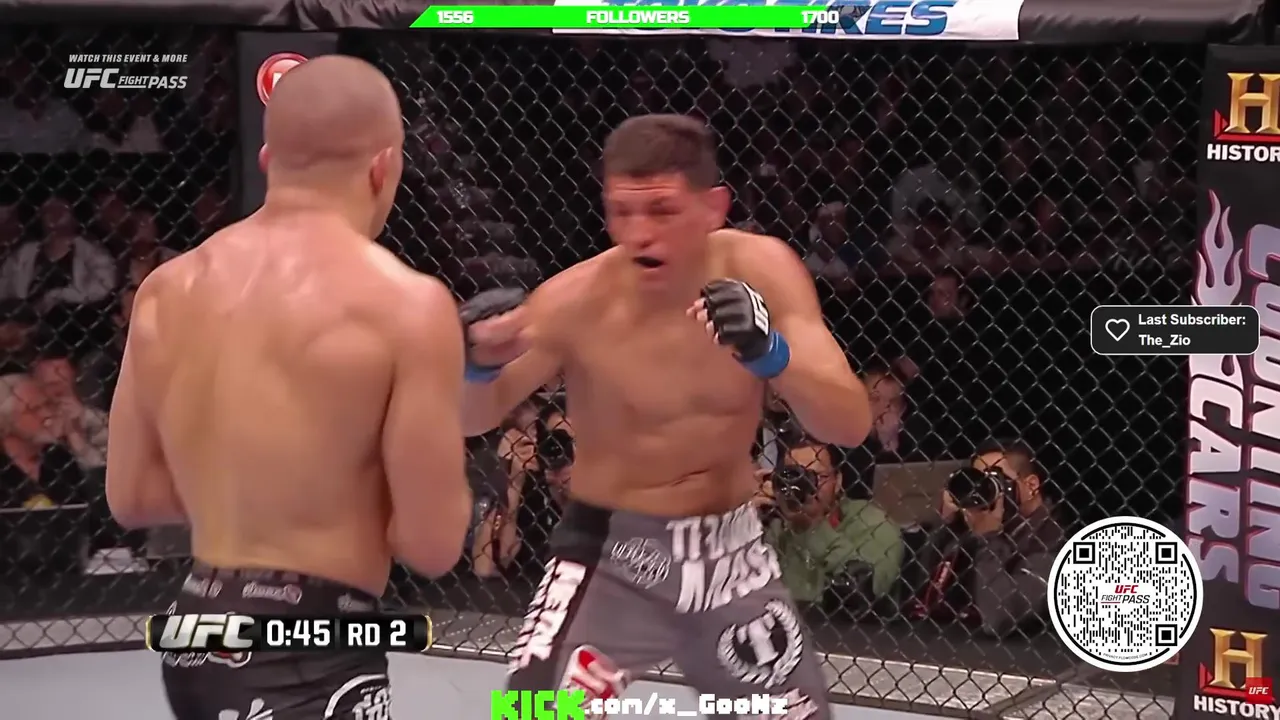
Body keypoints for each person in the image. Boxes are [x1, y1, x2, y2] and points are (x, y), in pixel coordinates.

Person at [463, 114, 872, 717]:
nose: (640, 233)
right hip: (613, 557)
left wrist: (770, 352)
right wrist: (476, 364)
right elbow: (472, 418)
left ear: (713, 207)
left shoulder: (762, 271)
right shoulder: (575, 301)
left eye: (661, 210)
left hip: (731, 556)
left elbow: (850, 424)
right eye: (621, 211)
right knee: (533, 713)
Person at [104, 56, 472, 720]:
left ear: (270, 159)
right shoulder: (405, 306)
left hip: (197, 626)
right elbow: (433, 544)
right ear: (384, 167)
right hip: (314, 642)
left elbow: (132, 497)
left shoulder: (165, 289)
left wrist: (250, 498)